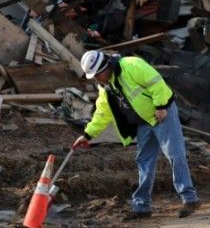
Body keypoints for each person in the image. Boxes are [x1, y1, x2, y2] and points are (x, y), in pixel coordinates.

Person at [72, 50, 200, 220]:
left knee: (175, 154)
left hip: (162, 114)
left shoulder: (131, 65)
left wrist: (161, 106)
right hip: (145, 121)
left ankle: (190, 199)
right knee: (144, 161)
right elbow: (103, 113)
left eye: (97, 75)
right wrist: (88, 135)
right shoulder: (106, 86)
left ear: (105, 68)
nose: (96, 79)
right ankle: (142, 207)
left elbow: (156, 82)